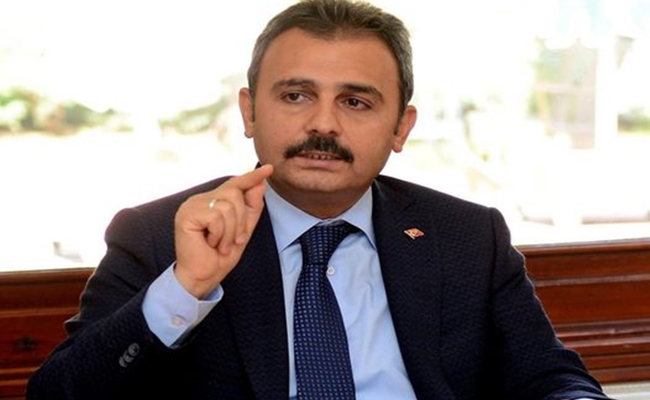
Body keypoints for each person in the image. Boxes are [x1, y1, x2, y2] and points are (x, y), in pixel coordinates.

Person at [27, 0, 613, 399]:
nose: (324, 124)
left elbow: (550, 377)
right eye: (296, 96)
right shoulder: (160, 235)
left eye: (355, 102)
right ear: (250, 112)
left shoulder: (467, 235)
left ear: (401, 127)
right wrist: (185, 287)